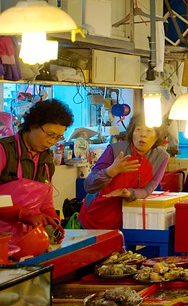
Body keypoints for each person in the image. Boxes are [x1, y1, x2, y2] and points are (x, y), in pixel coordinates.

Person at [0, 99, 73, 244]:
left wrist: (53, 221)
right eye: (49, 134)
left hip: (29, 241)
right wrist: (23, 214)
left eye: (58, 137)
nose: (52, 141)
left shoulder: (46, 160)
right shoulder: (4, 150)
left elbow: (45, 203)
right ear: (33, 125)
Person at [78, 115, 169, 229]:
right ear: (132, 132)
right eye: (138, 129)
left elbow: (148, 190)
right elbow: (88, 186)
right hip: (95, 218)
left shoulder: (161, 157)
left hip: (128, 222)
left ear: (157, 136)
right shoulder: (115, 150)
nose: (143, 135)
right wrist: (110, 171)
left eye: (149, 131)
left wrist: (130, 193)